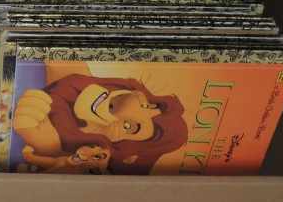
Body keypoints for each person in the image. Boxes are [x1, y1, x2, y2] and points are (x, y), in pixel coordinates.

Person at [12, 73, 188, 175]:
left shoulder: (84, 159)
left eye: (129, 127)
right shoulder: (83, 82)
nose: (125, 104)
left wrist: (45, 147)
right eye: (149, 105)